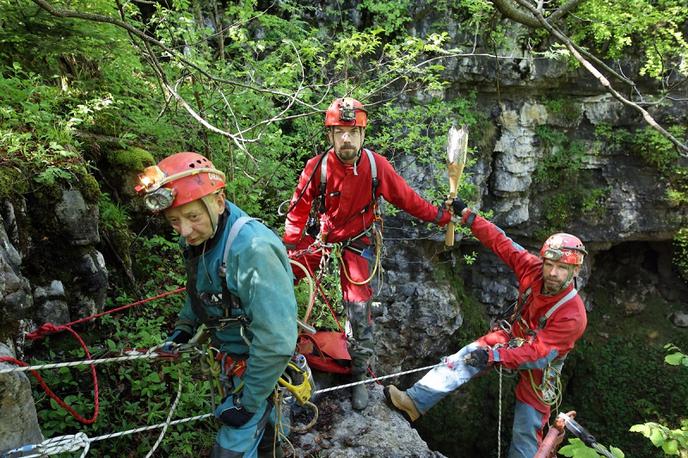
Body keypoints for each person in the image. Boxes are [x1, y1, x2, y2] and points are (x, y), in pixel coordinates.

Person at [283, 97, 453, 410]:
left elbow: (409, 200)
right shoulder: (317, 168)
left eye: (352, 131)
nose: (346, 138)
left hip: (356, 243)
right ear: (330, 136)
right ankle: (281, 353)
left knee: (359, 310)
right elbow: (297, 212)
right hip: (321, 239)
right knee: (280, 282)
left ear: (362, 135)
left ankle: (359, 376)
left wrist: (442, 216)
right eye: (339, 132)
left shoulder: (377, 167)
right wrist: (291, 252)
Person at [385, 200, 588, 458]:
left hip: (542, 366)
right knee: (464, 357)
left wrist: (493, 355)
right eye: (550, 264)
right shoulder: (533, 269)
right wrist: (468, 216)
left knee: (527, 427)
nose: (553, 273)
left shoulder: (573, 315)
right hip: (513, 336)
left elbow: (537, 353)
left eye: (562, 268)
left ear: (575, 270)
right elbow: (500, 242)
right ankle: (413, 402)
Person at [136, 152, 298, 458]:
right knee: (270, 436)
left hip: (260, 367)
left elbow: (276, 342)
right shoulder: (200, 237)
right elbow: (200, 289)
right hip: (236, 361)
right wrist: (183, 330)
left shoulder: (253, 250)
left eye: (192, 217)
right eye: (174, 220)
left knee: (233, 446)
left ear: (219, 202)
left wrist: (246, 403)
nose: (184, 231)